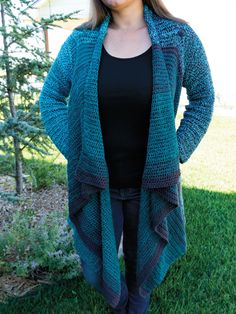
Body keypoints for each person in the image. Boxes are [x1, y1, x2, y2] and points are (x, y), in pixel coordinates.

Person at [39, 1, 215, 313]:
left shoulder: (178, 36)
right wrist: (77, 152)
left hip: (151, 184)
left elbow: (203, 97)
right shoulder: (82, 41)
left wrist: (178, 150)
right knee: (106, 273)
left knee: (141, 276)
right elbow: (51, 96)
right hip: (97, 183)